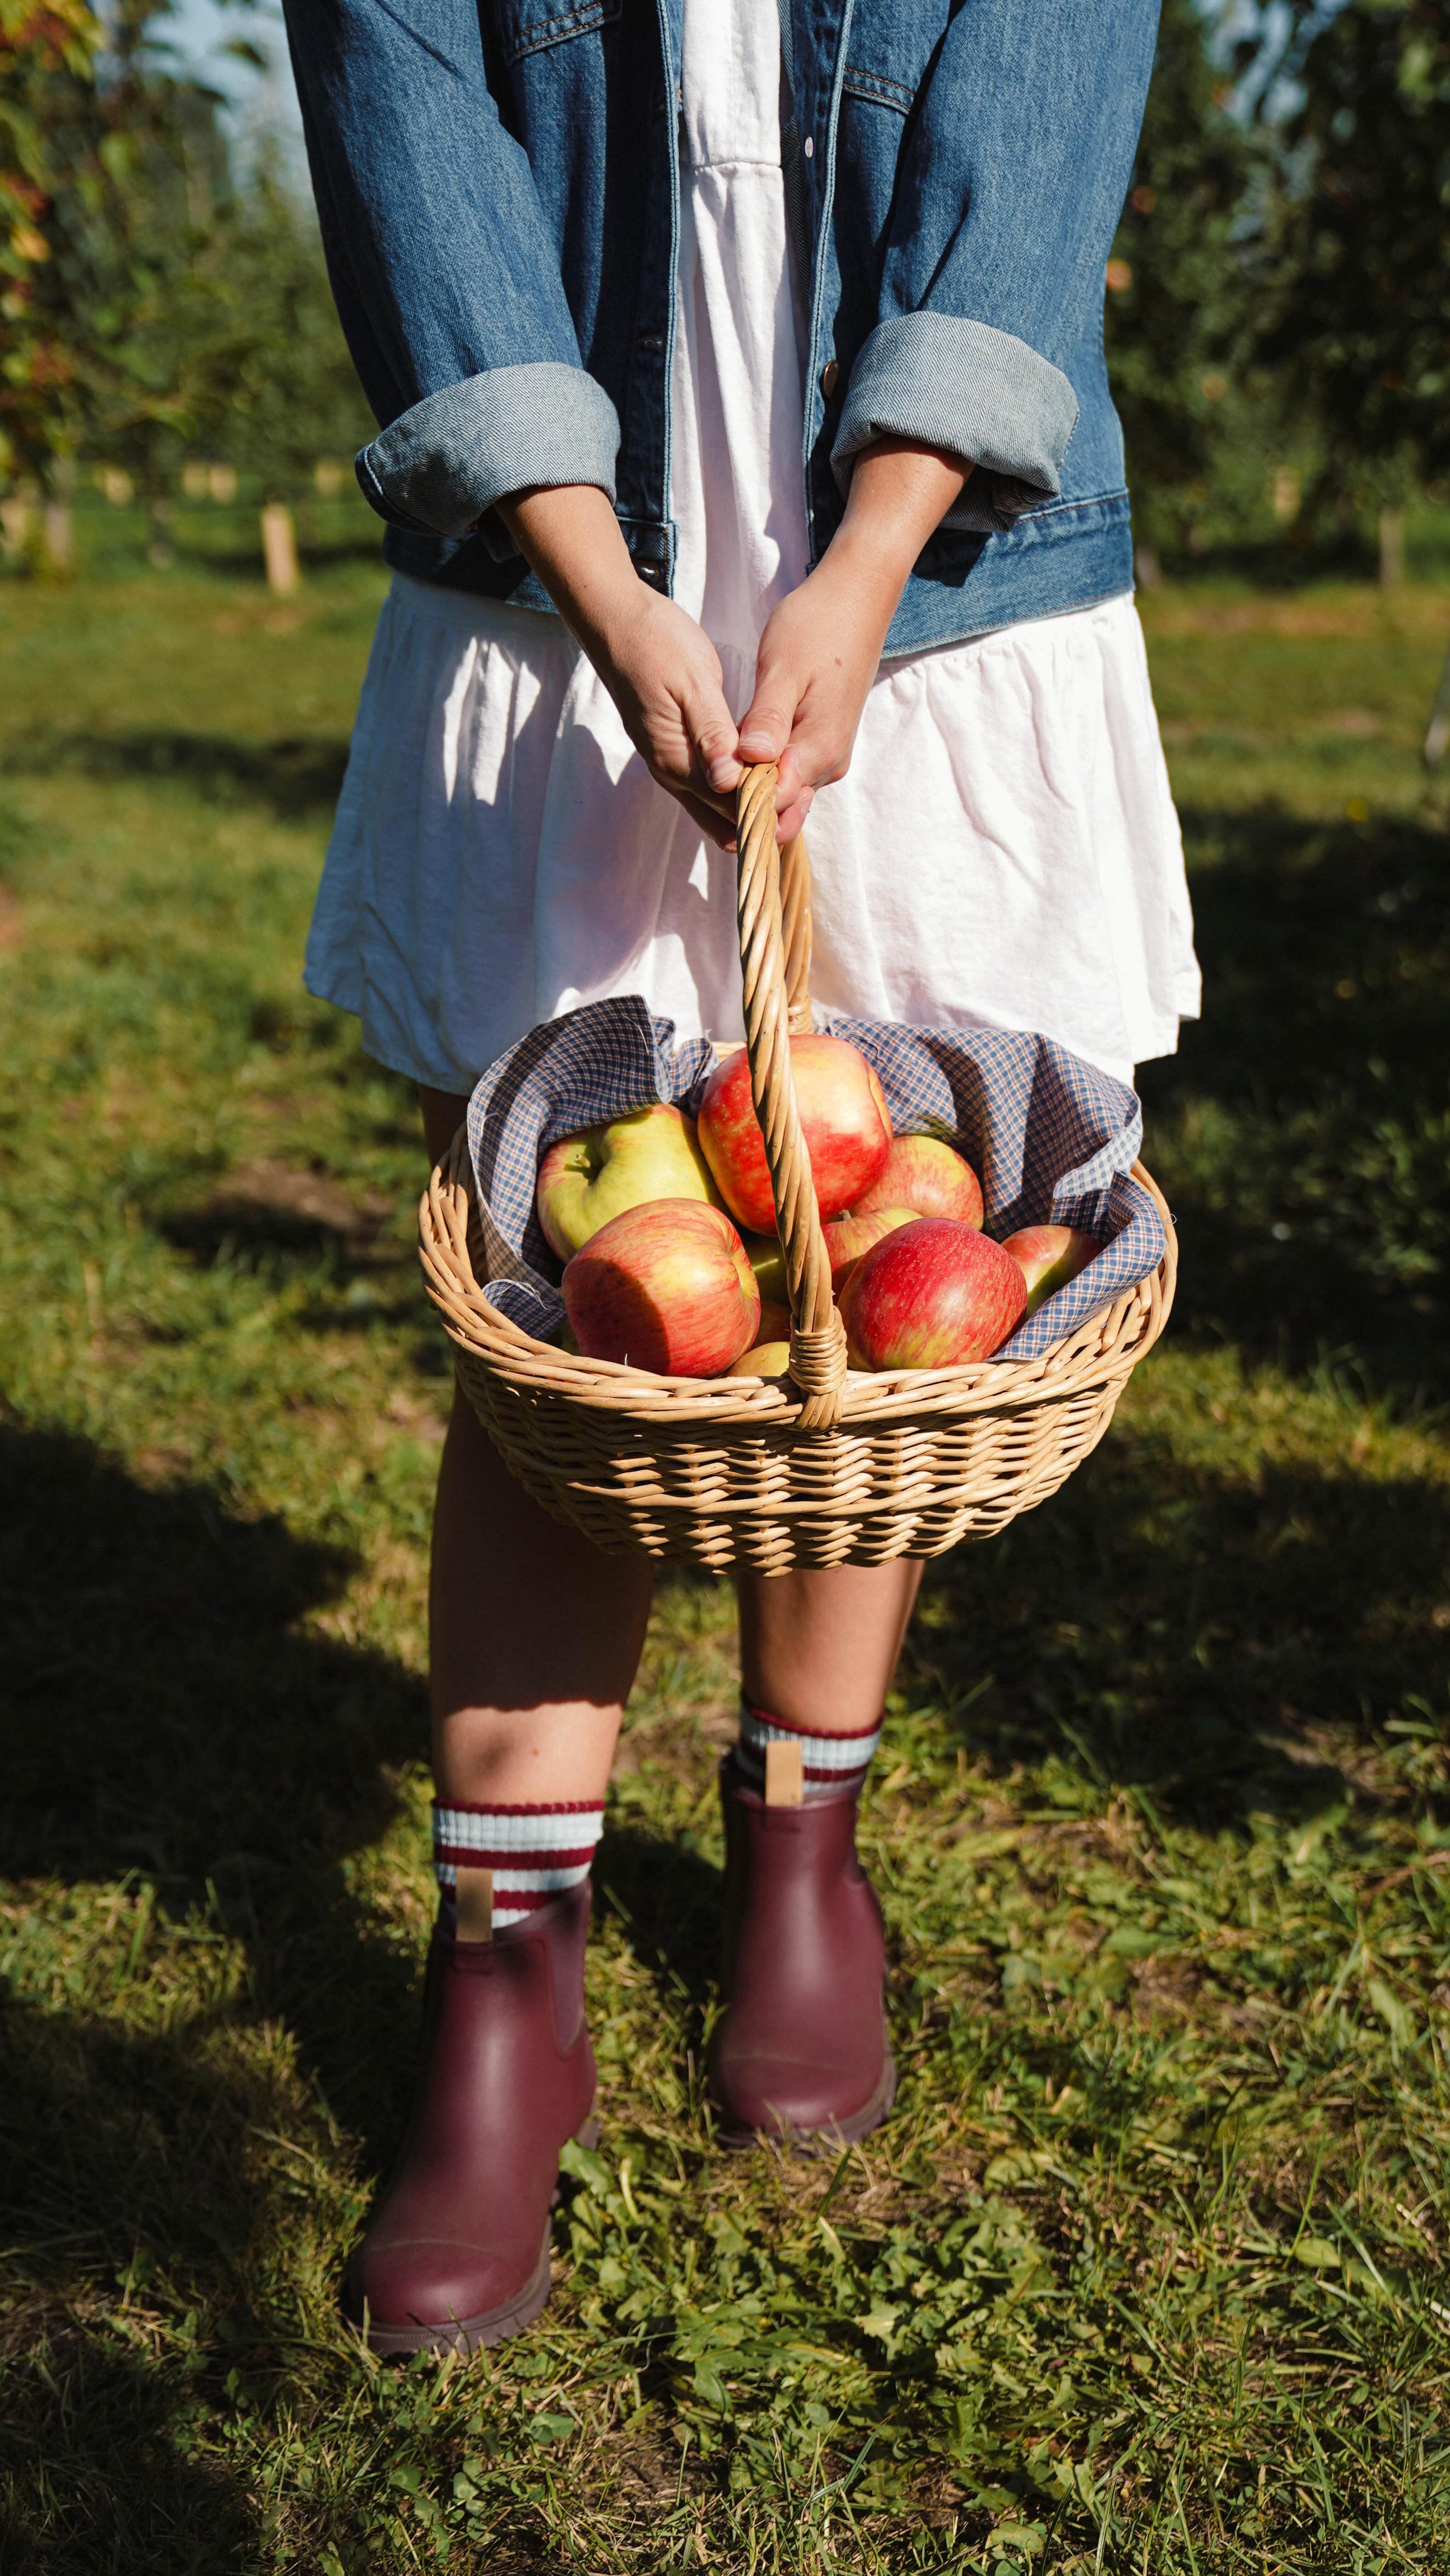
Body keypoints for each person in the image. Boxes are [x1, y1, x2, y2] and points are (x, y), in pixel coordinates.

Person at [283, 0, 1199, 2356]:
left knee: (872, 1314)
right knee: (552, 1339)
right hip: (561, 580)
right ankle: (507, 1989)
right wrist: (597, 581)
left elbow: (1032, 106)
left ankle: (803, 1843)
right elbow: (410, 120)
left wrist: (875, 544)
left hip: (940, 569)